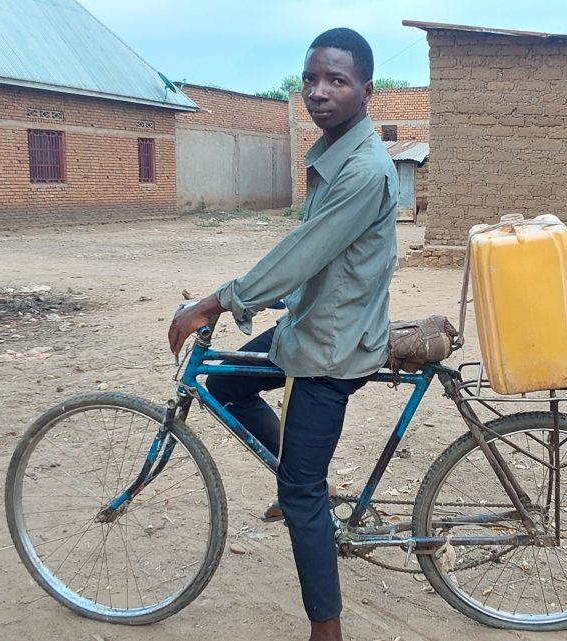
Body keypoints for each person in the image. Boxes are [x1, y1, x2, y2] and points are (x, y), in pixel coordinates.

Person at [166, 27, 397, 641]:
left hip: (332, 350)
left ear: (366, 91)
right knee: (235, 386)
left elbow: (301, 254)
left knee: (300, 501)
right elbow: (309, 260)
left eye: (337, 80)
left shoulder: (363, 170)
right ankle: (306, 482)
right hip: (310, 328)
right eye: (311, 78)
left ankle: (328, 630)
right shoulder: (336, 152)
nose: (319, 92)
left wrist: (217, 301)